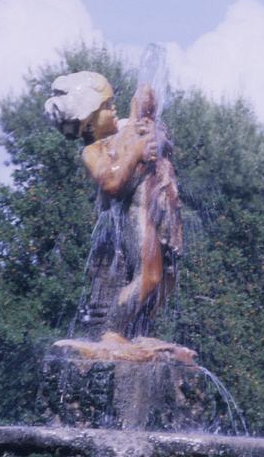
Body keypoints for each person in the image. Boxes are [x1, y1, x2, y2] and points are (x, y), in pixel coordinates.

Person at [45, 72, 182, 339]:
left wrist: (144, 98)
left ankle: (137, 330)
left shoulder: (123, 128)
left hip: (158, 208)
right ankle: (113, 331)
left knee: (166, 278)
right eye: (107, 106)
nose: (113, 108)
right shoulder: (92, 151)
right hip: (135, 213)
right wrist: (138, 150)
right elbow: (110, 182)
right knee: (149, 276)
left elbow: (142, 109)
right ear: (88, 121)